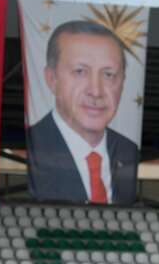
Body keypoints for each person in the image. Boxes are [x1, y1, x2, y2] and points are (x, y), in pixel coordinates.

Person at [26, 21, 139, 204]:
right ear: (52, 79)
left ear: (122, 82)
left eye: (108, 75)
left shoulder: (128, 151)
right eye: (80, 72)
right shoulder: (33, 144)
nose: (96, 91)